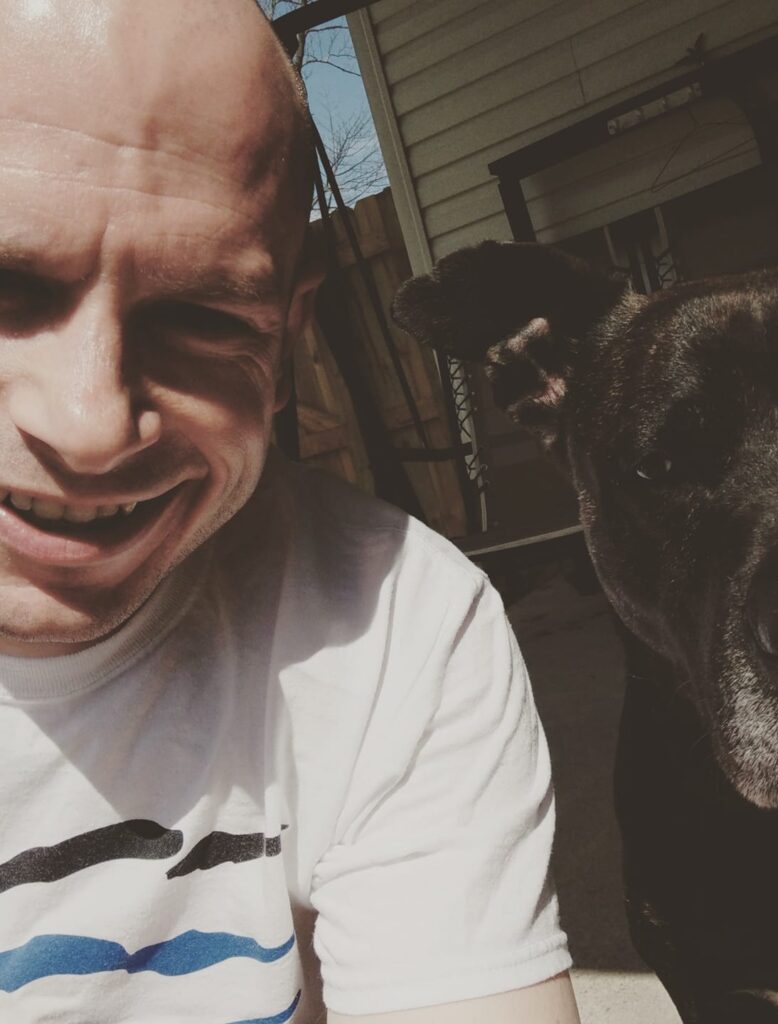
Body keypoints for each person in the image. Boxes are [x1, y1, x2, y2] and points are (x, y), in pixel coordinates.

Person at [0, 2, 581, 1021]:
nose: (91, 426)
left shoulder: (392, 622)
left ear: (286, 331)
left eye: (200, 314)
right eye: (5, 288)